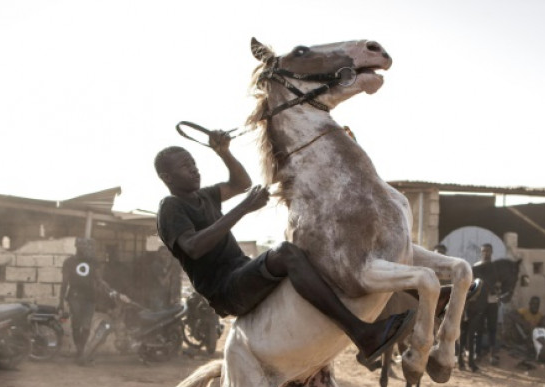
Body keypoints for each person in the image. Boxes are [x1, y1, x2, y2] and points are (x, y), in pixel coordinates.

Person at [154, 130, 415, 370]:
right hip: (226, 289)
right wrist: (243, 208)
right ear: (167, 177)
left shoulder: (205, 196)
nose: (194, 169)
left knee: (308, 251)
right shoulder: (171, 207)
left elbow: (241, 183)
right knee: (287, 253)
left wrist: (224, 152)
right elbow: (193, 247)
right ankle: (362, 334)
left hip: (241, 270)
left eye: (193, 163)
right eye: (185, 166)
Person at [59, 238, 116, 365]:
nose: (84, 248)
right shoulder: (69, 262)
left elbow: (99, 279)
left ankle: (82, 352)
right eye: (81, 245)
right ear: (76, 246)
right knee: (76, 325)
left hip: (90, 297)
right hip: (75, 296)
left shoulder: (92, 261)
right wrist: (61, 301)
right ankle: (80, 352)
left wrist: (109, 290)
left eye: (86, 245)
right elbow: (64, 283)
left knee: (86, 326)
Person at [472, 243, 501, 366]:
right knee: (478, 327)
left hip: (493, 301)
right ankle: (477, 353)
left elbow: (499, 285)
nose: (486, 253)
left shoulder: (496, 267)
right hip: (480, 303)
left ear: (492, 252)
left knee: (492, 328)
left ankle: (492, 354)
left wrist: (496, 292)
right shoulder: (476, 266)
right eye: (484, 251)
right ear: (481, 252)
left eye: (488, 251)